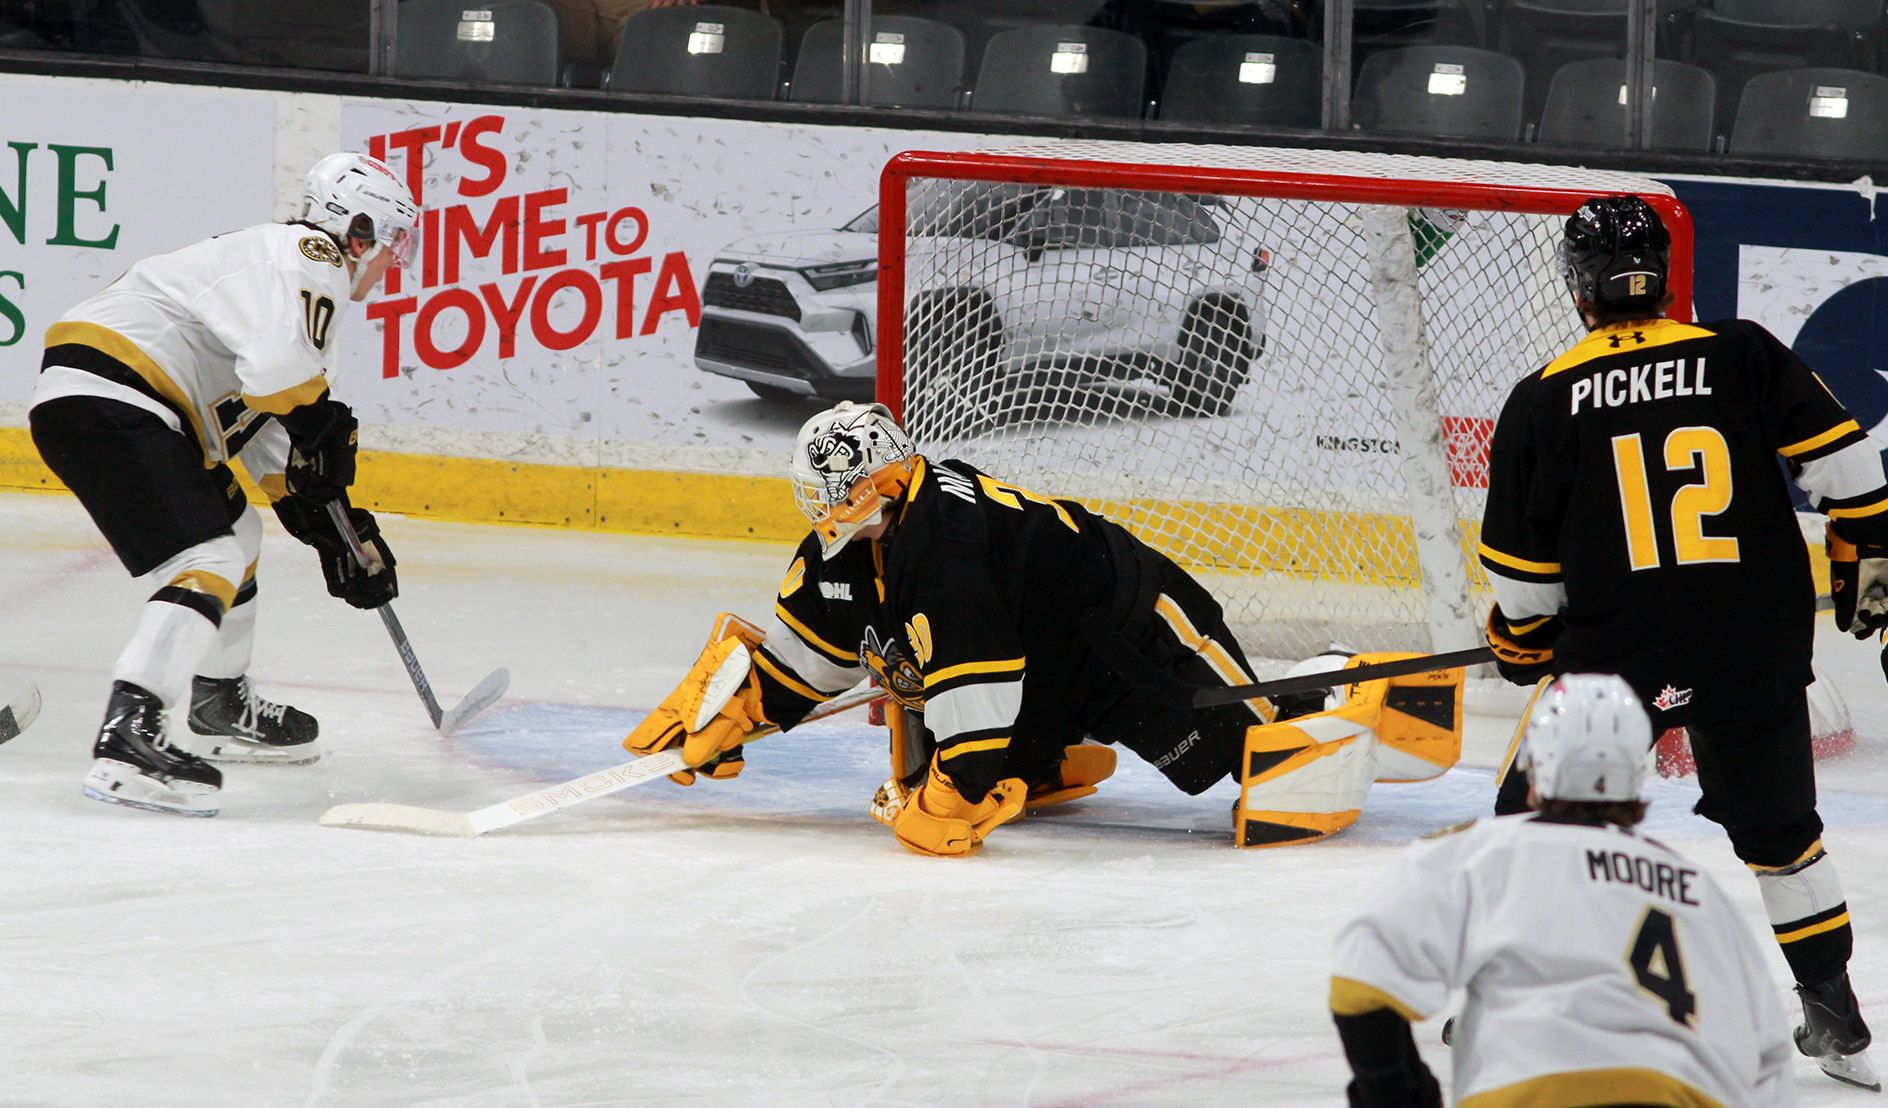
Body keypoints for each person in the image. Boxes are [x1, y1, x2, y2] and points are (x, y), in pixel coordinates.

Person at [619, 400, 1466, 856]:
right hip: (1044, 659)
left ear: (877, 484)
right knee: (933, 701)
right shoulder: (854, 544)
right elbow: (819, 659)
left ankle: (1352, 679)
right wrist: (743, 707)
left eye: (834, 492)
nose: (820, 511)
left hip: (1128, 631)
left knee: (1255, 768)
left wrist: (952, 795)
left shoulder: (944, 544)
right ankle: (1047, 756)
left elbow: (976, 680)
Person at [1476, 194, 1887, 1089]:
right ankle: (1835, 1015)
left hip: (1626, 652)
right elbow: (1857, 480)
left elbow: (1521, 581)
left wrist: (1524, 642)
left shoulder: (1542, 400)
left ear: (1580, 288)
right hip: (1757, 643)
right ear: (1660, 274)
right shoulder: (1739, 352)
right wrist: (1869, 551)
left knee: (1537, 828)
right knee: (1784, 837)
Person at [27, 152, 414, 817]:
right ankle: (129, 737)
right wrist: (321, 422)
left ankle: (218, 698)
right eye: (392, 241)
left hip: (108, 399)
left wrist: (333, 530)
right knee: (209, 557)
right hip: (117, 394)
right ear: (357, 231)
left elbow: (268, 429)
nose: (393, 261)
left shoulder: (290, 283)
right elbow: (277, 378)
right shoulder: (312, 255)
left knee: (237, 530)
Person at [1330, 673, 1797, 1107]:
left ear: (1532, 765)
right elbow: (1767, 1058)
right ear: (1637, 775)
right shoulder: (1697, 890)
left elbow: (1363, 984)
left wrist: (1401, 1091)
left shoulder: (1479, 853)